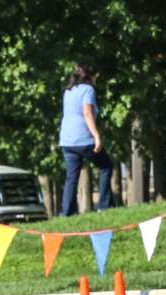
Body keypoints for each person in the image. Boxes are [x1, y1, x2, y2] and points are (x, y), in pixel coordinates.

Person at [58, 63, 114, 216]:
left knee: (71, 178)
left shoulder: (68, 91)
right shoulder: (88, 90)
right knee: (106, 166)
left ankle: (66, 213)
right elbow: (87, 114)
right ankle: (104, 206)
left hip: (67, 140)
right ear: (91, 76)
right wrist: (96, 136)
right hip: (83, 139)